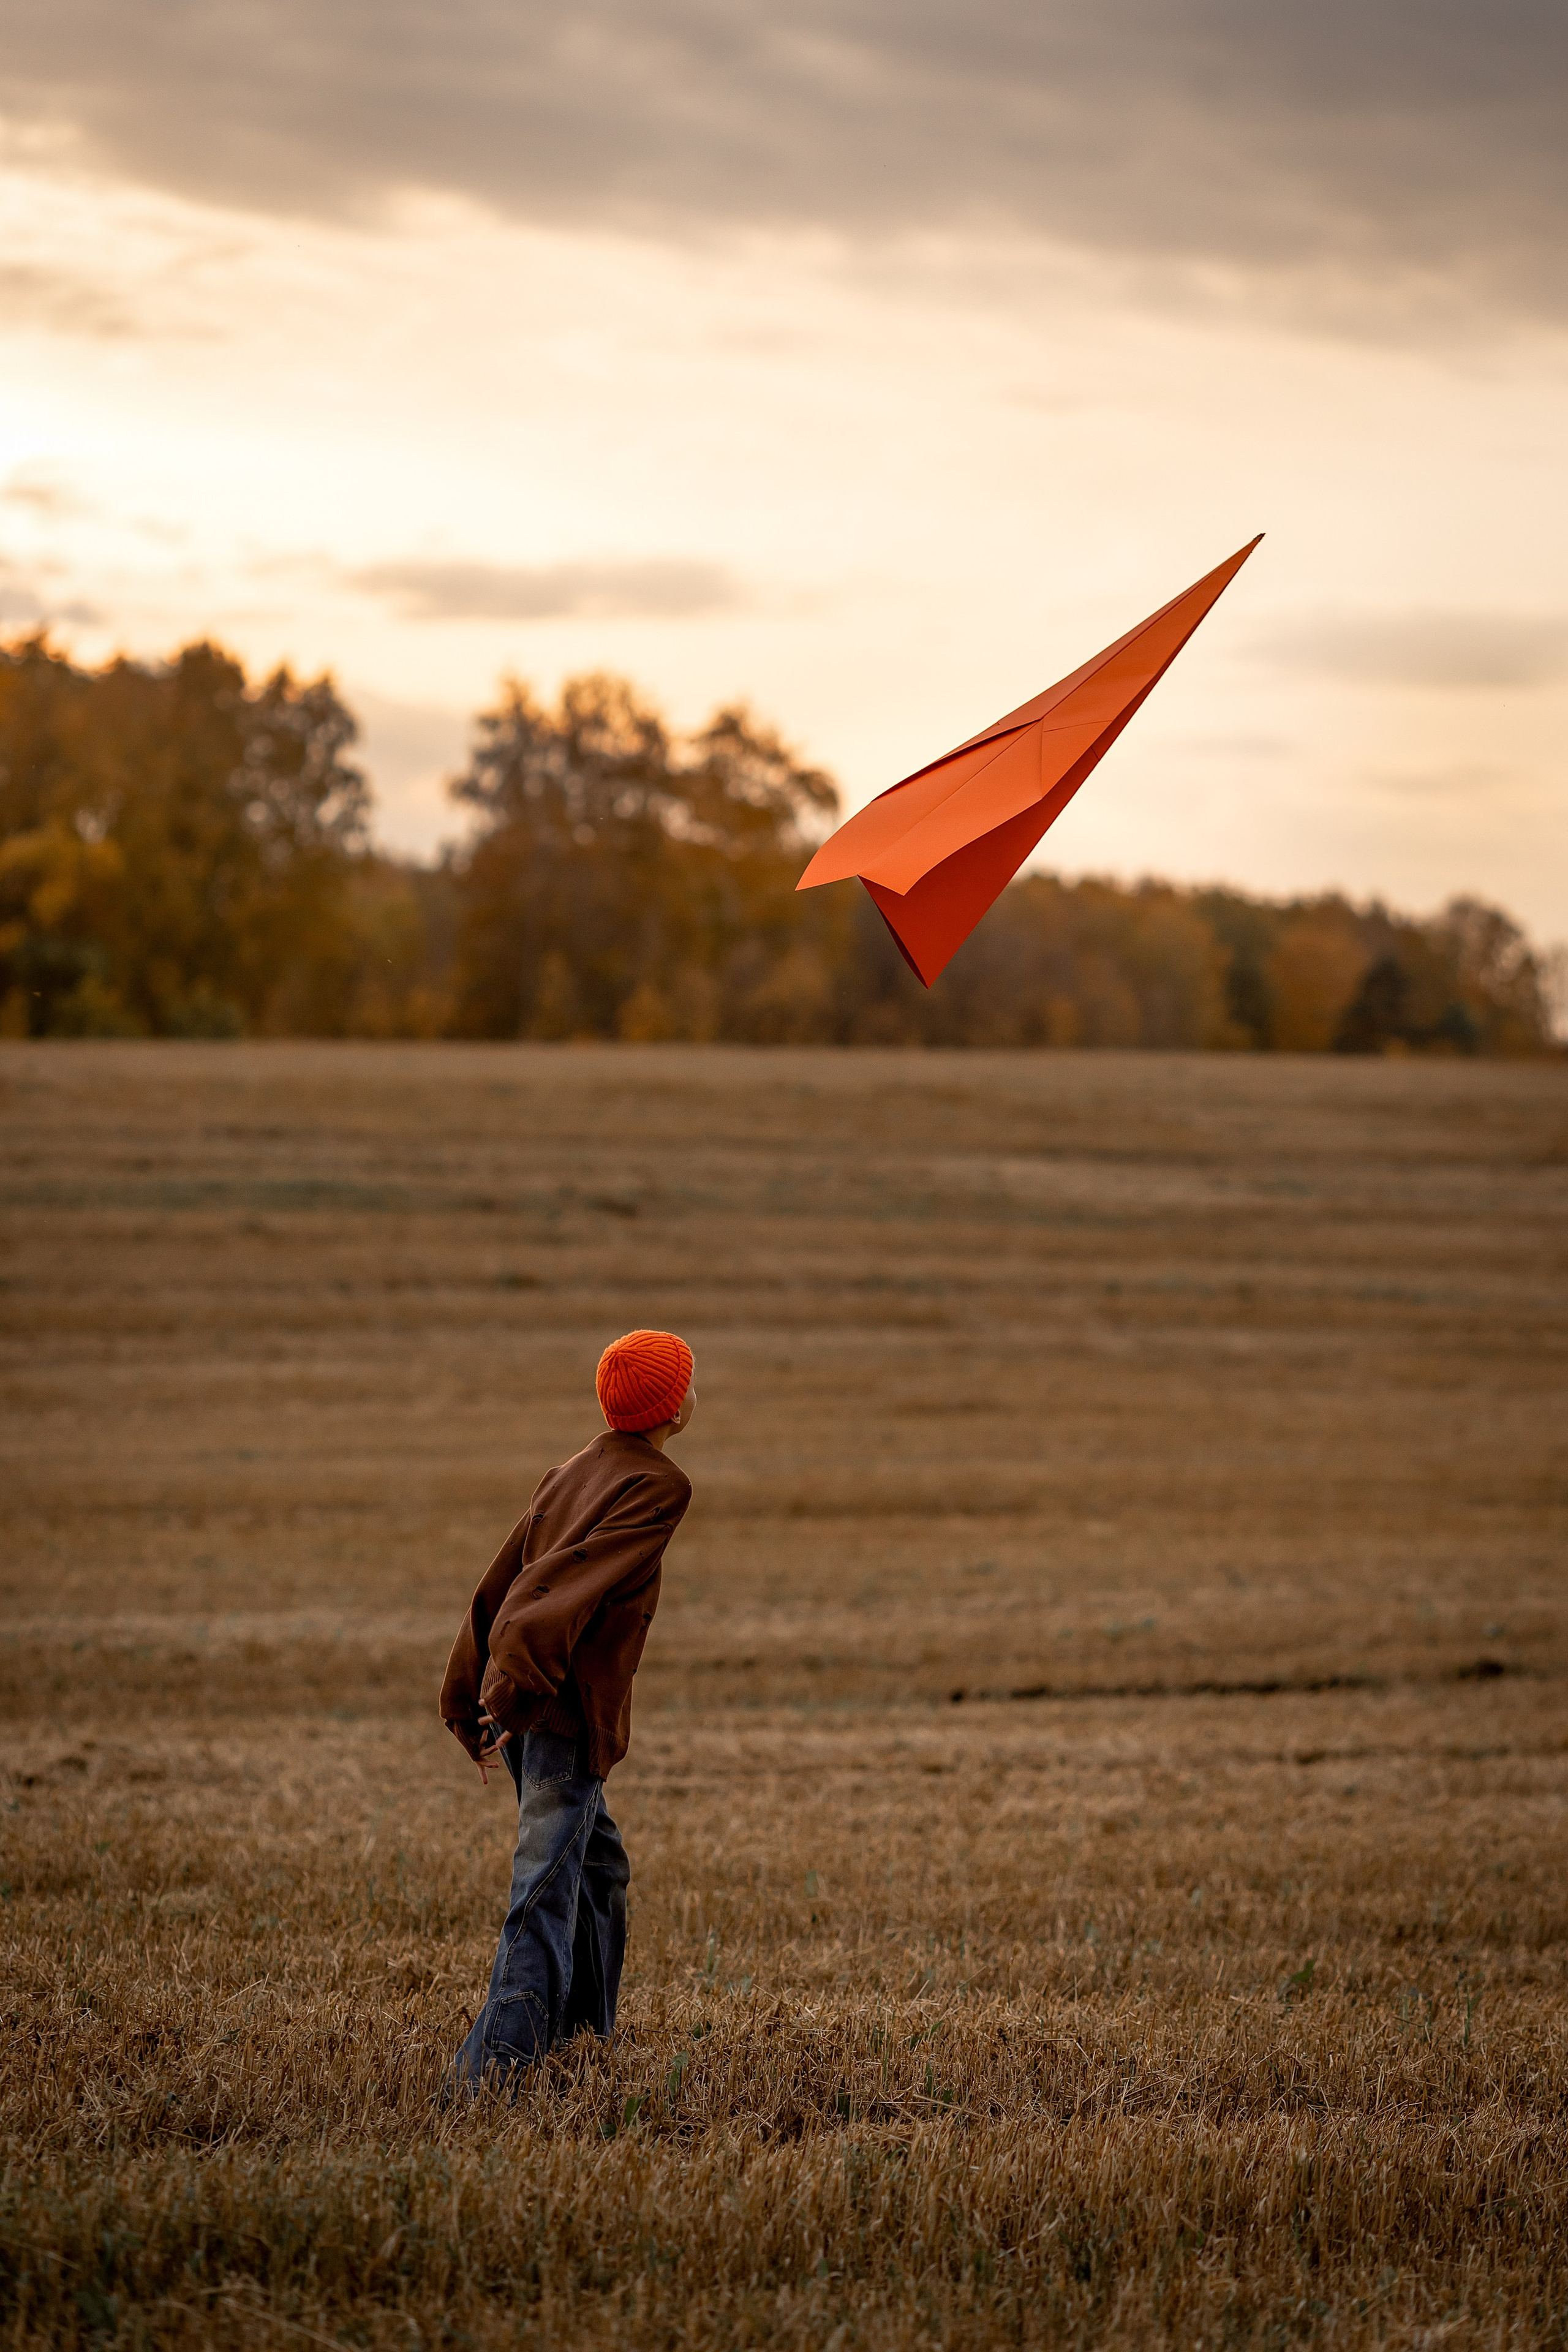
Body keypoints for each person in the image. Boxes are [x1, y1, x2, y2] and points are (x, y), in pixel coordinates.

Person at [439, 1329, 695, 2095]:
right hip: (552, 1709)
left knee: (599, 1866)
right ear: (671, 1405)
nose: (692, 1390)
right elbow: (561, 1591)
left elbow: (501, 1579)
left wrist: (469, 1688)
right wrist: (512, 1696)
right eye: (687, 1380)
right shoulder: (657, 1486)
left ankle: (584, 2039)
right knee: (544, 1889)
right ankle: (492, 2075)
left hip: (526, 1699)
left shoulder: (573, 1470)